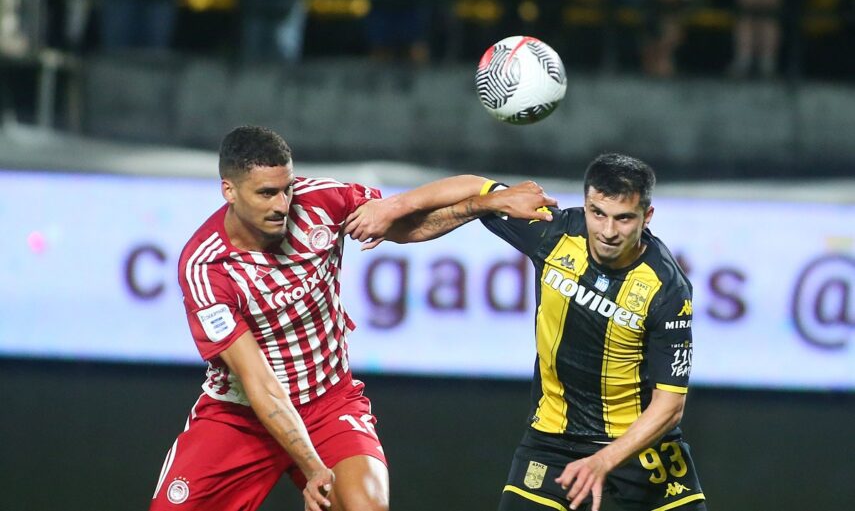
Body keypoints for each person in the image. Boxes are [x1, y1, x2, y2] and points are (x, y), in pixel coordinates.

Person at [149, 125, 556, 511]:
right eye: (267, 193)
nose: (282, 205)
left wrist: (488, 200)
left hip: (328, 403)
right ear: (229, 191)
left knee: (367, 505)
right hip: (242, 417)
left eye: (287, 189)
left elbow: (409, 225)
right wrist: (313, 467)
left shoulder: (320, 201)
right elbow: (259, 383)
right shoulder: (206, 267)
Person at [346, 153, 706, 511]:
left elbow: (670, 406)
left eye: (624, 218)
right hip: (554, 442)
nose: (609, 231)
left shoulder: (668, 289)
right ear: (585, 205)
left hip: (640, 450)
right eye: (598, 213)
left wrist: (602, 461)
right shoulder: (553, 231)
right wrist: (394, 206)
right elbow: (473, 187)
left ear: (647, 216)